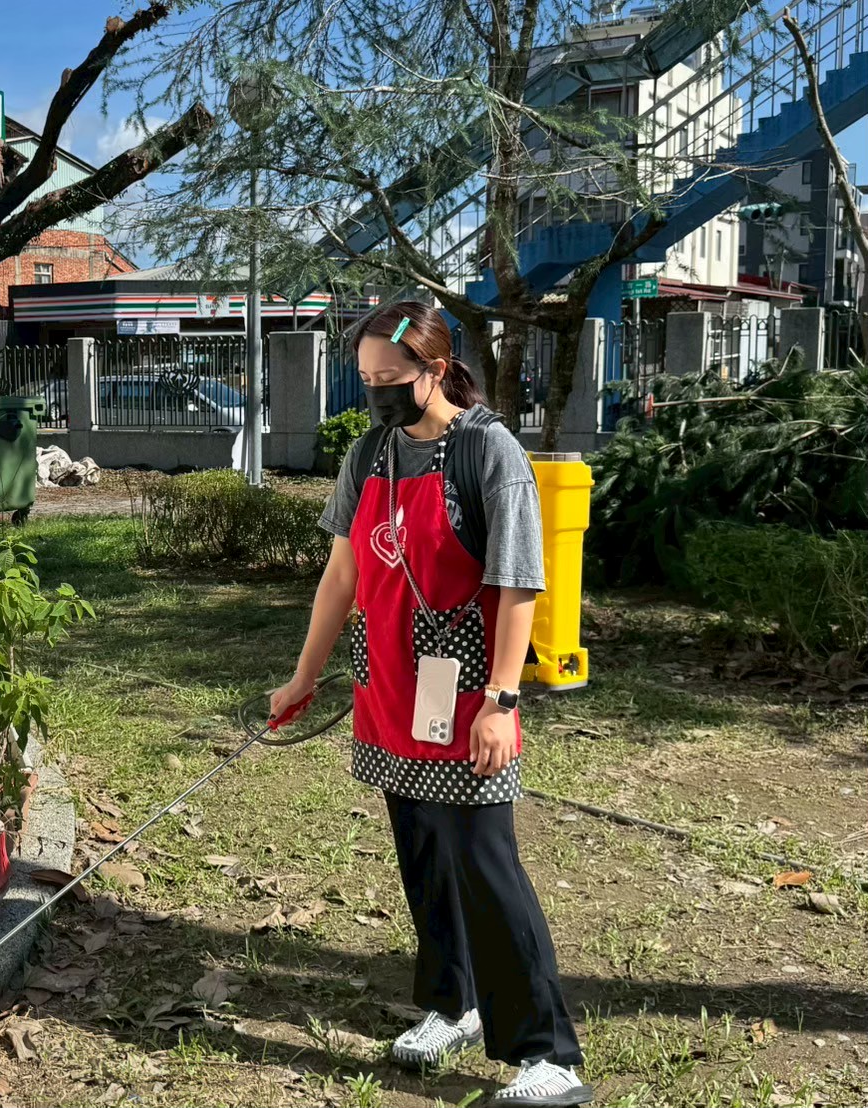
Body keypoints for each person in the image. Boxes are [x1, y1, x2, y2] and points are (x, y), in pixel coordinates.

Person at [270, 302, 591, 1107]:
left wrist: (501, 700)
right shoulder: (369, 453)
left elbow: (516, 584)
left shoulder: (487, 450)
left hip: (467, 692)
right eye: (366, 378)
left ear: (436, 370)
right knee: (422, 856)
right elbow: (341, 576)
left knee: (485, 866)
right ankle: (453, 1004)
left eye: (391, 377)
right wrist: (303, 676)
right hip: (389, 688)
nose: (377, 392)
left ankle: (547, 1054)